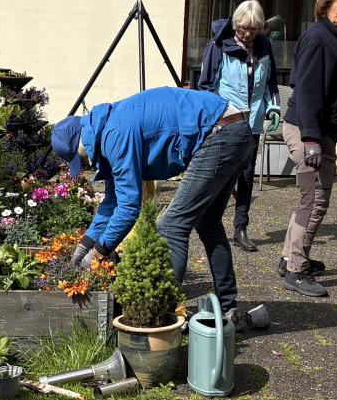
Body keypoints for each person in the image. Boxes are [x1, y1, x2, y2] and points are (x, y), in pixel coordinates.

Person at [50, 86, 253, 319]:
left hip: (218, 134)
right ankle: (228, 310)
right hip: (234, 128)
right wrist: (85, 245)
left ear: (82, 143)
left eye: (82, 158)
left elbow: (128, 208)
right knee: (208, 223)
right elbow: (112, 201)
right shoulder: (109, 124)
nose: (86, 163)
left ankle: (162, 318)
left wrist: (98, 253)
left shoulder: (115, 134)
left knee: (171, 226)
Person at [278, 0, 337, 298]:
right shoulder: (319, 38)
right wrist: (312, 138)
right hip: (308, 130)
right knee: (314, 201)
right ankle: (296, 271)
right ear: (326, 5)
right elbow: (309, 91)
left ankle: (290, 258)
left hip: (318, 131)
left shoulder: (335, 38)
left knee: (308, 199)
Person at [196, 0, 281, 252]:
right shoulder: (219, 45)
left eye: (254, 29)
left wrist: (273, 106)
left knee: (246, 176)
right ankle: (209, 221)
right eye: (244, 28)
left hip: (253, 122)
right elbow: (206, 86)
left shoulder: (264, 46)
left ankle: (240, 227)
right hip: (226, 121)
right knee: (221, 173)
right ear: (235, 24)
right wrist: (213, 118)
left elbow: (271, 82)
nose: (247, 34)